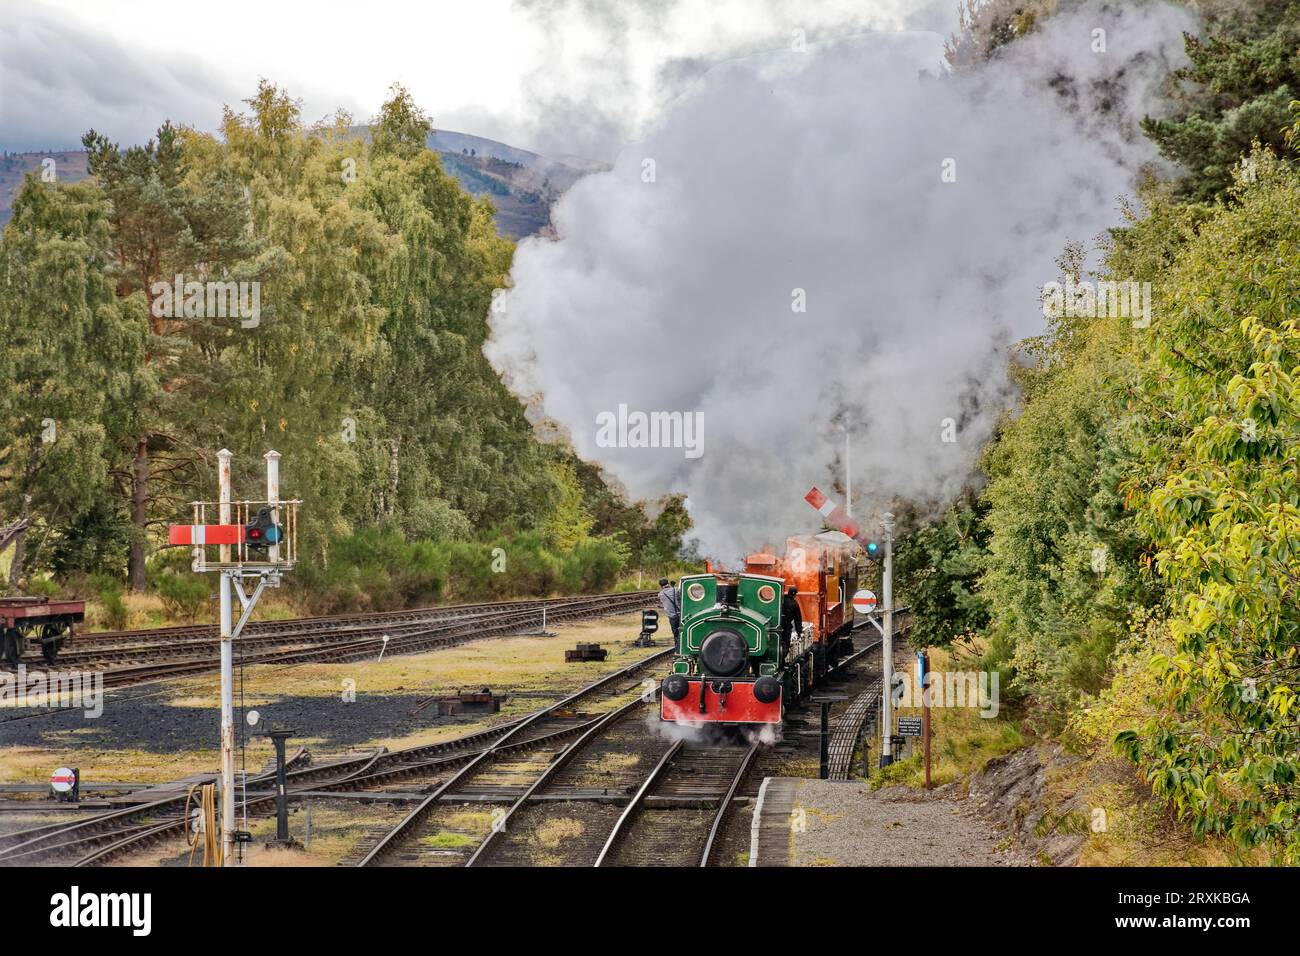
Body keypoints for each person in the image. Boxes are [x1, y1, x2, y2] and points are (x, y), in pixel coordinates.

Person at [780, 585, 803, 655]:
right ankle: (783, 657)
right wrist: (799, 632)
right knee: (786, 644)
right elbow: (797, 619)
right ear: (795, 594)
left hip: (777, 625)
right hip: (787, 627)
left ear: (788, 592)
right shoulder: (795, 604)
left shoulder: (781, 600)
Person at [658, 577, 681, 645]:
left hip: (672, 617)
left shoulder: (661, 595)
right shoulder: (676, 590)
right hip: (681, 614)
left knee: (675, 633)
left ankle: (677, 647)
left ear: (661, 586)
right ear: (668, 583)